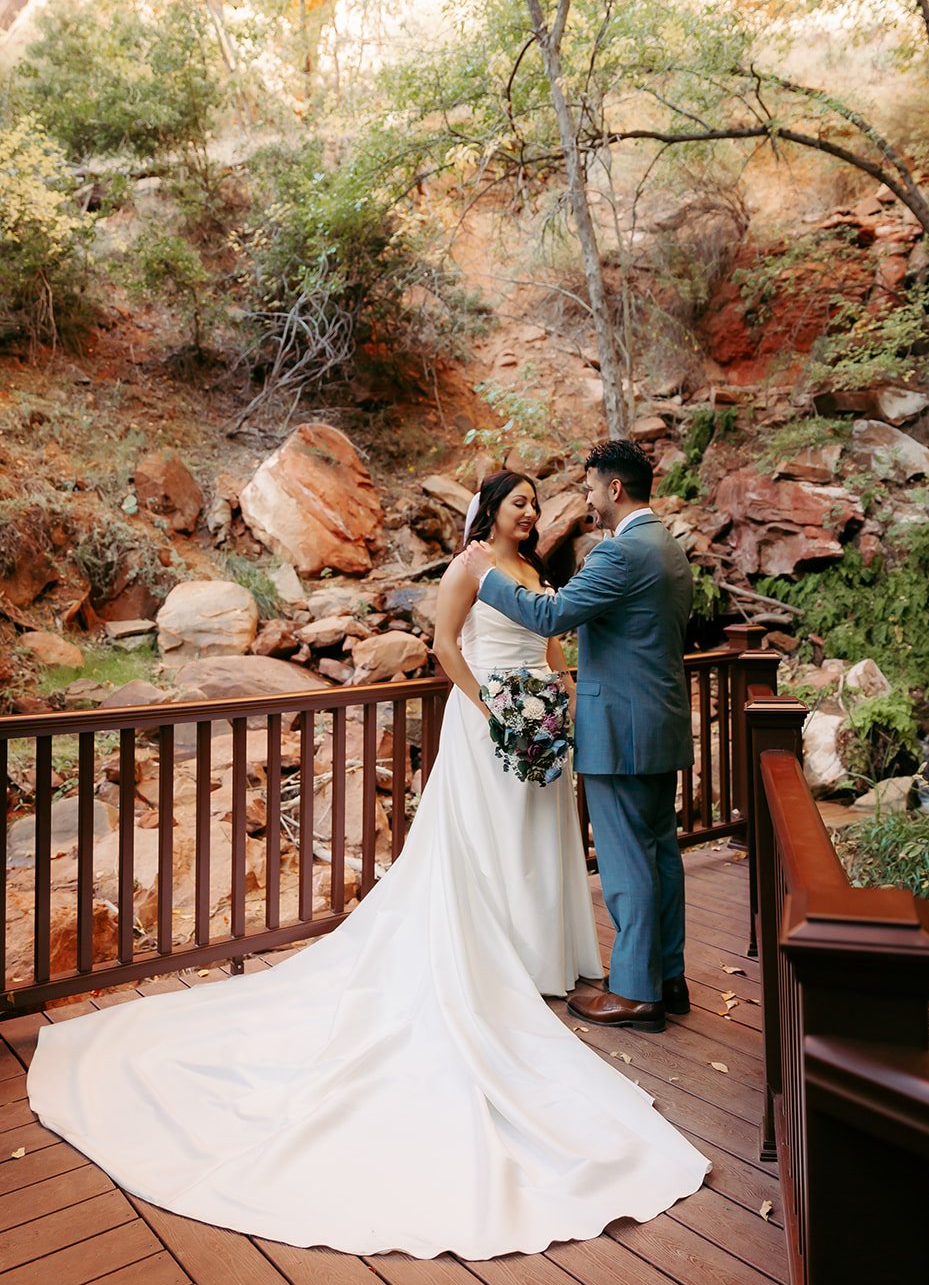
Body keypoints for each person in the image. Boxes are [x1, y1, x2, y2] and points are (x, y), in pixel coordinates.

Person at [27, 468, 707, 1260]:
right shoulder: (468, 566)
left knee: (538, 845)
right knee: (487, 845)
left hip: (536, 727)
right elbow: (447, 645)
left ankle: (541, 958)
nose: (533, 512)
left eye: (534, 504)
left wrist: (550, 703)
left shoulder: (536, 574)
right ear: (490, 511)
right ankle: (495, 958)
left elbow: (553, 641)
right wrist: (494, 715)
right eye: (519, 503)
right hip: (488, 724)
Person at [465, 440, 693, 1036]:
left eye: (590, 487)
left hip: (620, 728)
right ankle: (670, 977)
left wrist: (484, 575)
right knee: (661, 854)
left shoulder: (618, 554)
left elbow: (549, 618)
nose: (586, 498)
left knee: (627, 864)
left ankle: (637, 993)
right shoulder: (668, 548)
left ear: (614, 489)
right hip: (659, 723)